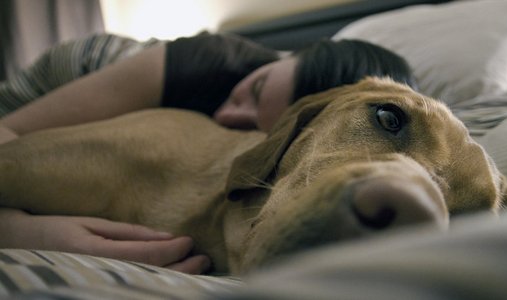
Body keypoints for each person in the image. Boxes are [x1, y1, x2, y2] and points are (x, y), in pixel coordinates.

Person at [0, 32, 416, 274]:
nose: (226, 114)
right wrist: (20, 231)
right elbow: (10, 132)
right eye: (255, 91)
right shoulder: (205, 60)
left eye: (253, 131)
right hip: (41, 94)